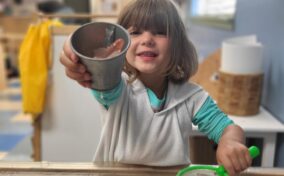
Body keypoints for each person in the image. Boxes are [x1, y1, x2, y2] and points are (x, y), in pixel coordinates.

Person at [60, 0, 252, 175]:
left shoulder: (192, 97)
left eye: (160, 32)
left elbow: (227, 128)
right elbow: (94, 63)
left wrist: (231, 142)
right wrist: (73, 49)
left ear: (178, 44)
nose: (147, 39)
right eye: (135, 32)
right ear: (120, 45)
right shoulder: (117, 88)